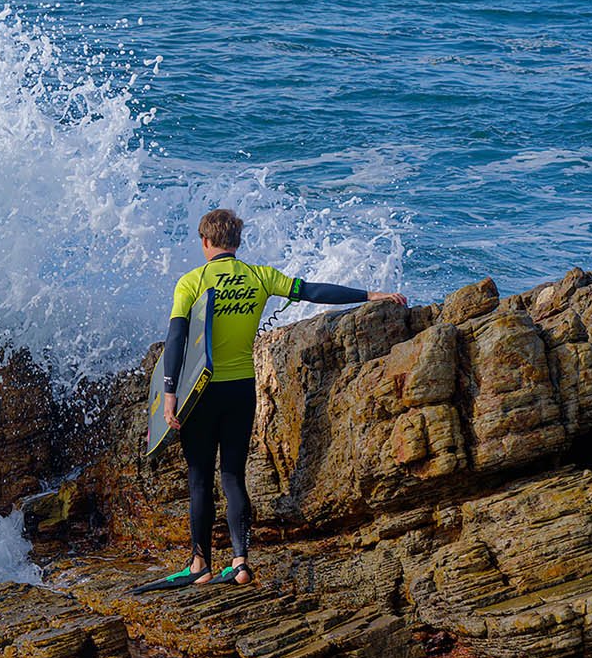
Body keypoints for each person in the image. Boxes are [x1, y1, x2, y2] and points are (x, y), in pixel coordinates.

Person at [154, 209, 406, 588]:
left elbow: (176, 340)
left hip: (201, 392)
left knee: (200, 478)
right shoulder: (259, 276)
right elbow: (313, 292)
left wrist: (170, 393)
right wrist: (371, 294)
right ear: (237, 243)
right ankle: (239, 563)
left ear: (205, 242)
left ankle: (199, 565)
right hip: (241, 390)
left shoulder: (192, 282)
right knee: (233, 476)